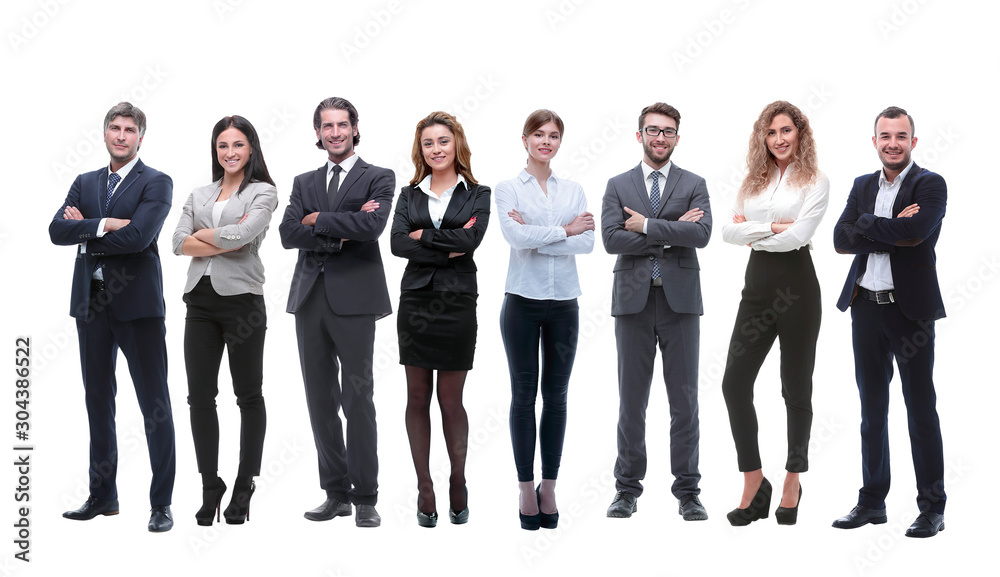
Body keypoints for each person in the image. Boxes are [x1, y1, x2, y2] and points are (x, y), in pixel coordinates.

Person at [49, 102, 177, 532]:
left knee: (154, 405)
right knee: (97, 402)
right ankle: (103, 496)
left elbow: (140, 237)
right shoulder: (84, 182)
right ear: (104, 133)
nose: (121, 136)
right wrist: (104, 223)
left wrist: (84, 229)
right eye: (114, 128)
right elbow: (54, 231)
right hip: (91, 306)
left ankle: (161, 503)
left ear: (141, 137)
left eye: (129, 130)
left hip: (138, 308)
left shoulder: (156, 182)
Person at [832, 106, 948, 538]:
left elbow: (916, 233)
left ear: (913, 142)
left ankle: (932, 508)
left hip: (909, 311)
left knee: (920, 411)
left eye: (901, 136)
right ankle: (872, 502)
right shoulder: (863, 184)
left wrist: (871, 226)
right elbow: (841, 239)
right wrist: (885, 225)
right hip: (865, 306)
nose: (893, 143)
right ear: (875, 141)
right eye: (885, 136)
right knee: (871, 411)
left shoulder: (930, 183)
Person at [278, 97, 394, 528]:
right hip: (310, 298)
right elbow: (288, 234)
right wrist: (337, 225)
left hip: (356, 300)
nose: (335, 133)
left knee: (357, 397)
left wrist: (317, 220)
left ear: (355, 127)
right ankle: (336, 492)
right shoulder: (303, 180)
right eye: (327, 126)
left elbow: (372, 227)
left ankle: (366, 496)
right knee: (319, 399)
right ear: (318, 133)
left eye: (342, 125)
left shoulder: (378, 176)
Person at [720, 101, 829, 526]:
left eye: (786, 130)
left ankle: (792, 479)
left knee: (795, 389)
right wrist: (777, 228)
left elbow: (800, 236)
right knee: (733, 383)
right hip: (757, 288)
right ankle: (753, 479)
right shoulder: (753, 181)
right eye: (771, 133)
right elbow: (727, 232)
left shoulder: (816, 180)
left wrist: (761, 232)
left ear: (799, 133)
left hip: (799, 287)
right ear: (762, 138)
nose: (779, 139)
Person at [601, 102, 712, 521]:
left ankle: (688, 491)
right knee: (632, 401)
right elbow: (611, 239)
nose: (660, 137)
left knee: (685, 402)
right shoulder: (618, 185)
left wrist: (645, 227)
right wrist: (671, 230)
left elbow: (700, 234)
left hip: (680, 303)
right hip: (632, 302)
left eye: (668, 131)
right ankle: (626, 489)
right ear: (640, 135)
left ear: (677, 138)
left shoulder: (695, 182)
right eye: (653, 130)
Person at [171, 115, 278, 526]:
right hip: (199, 302)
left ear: (251, 148)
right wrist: (224, 238)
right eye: (222, 146)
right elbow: (178, 243)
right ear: (215, 151)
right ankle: (209, 484)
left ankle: (245, 482)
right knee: (200, 397)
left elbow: (246, 236)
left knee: (248, 395)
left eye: (237, 145)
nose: (230, 153)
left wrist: (206, 240)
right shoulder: (199, 193)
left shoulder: (264, 191)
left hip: (243, 303)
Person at [390, 111, 490, 528]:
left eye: (443, 141)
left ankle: (458, 479)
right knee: (417, 398)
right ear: (421, 150)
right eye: (428, 143)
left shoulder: (478, 193)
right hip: (415, 302)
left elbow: (471, 241)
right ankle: (424, 486)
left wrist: (423, 237)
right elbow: (396, 244)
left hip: (457, 303)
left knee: (451, 399)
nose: (436, 149)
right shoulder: (408, 194)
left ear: (457, 145)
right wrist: (445, 245)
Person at [495, 109, 594, 530]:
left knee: (556, 396)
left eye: (553, 136)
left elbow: (588, 242)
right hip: (521, 302)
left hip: (564, 304)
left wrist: (549, 234)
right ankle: (524, 486)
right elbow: (514, 238)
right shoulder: (506, 189)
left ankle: (549, 485)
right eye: (539, 134)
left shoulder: (573, 189)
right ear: (525, 139)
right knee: (523, 395)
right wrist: (565, 231)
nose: (546, 142)